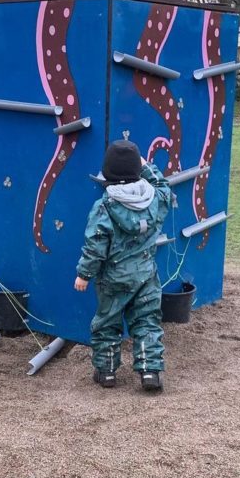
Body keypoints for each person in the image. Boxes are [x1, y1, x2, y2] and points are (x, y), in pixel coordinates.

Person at [74, 140, 172, 392]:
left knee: (107, 323)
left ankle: (106, 372)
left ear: (107, 174)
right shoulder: (155, 199)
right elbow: (164, 186)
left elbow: (95, 245)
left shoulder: (104, 206)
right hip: (146, 275)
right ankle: (150, 372)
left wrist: (84, 274)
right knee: (146, 322)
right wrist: (146, 166)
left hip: (113, 278)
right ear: (137, 171)